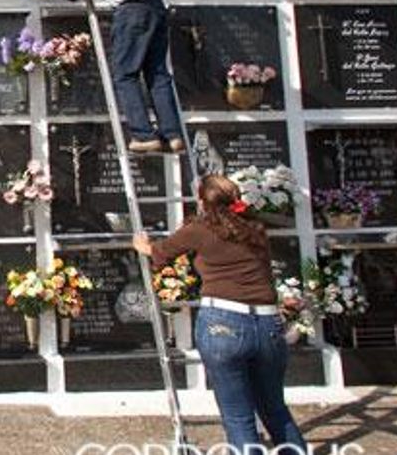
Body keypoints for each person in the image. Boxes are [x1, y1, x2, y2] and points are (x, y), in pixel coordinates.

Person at [132, 175, 308, 454]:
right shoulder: (255, 228)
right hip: (268, 323)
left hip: (224, 322)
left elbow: (161, 253)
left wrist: (143, 246)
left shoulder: (200, 229)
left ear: (202, 200)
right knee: (275, 409)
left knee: (238, 416)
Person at [42, 0, 185, 154]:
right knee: (158, 74)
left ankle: (143, 135)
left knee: (125, 74)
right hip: (156, 7)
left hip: (131, 12)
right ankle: (173, 134)